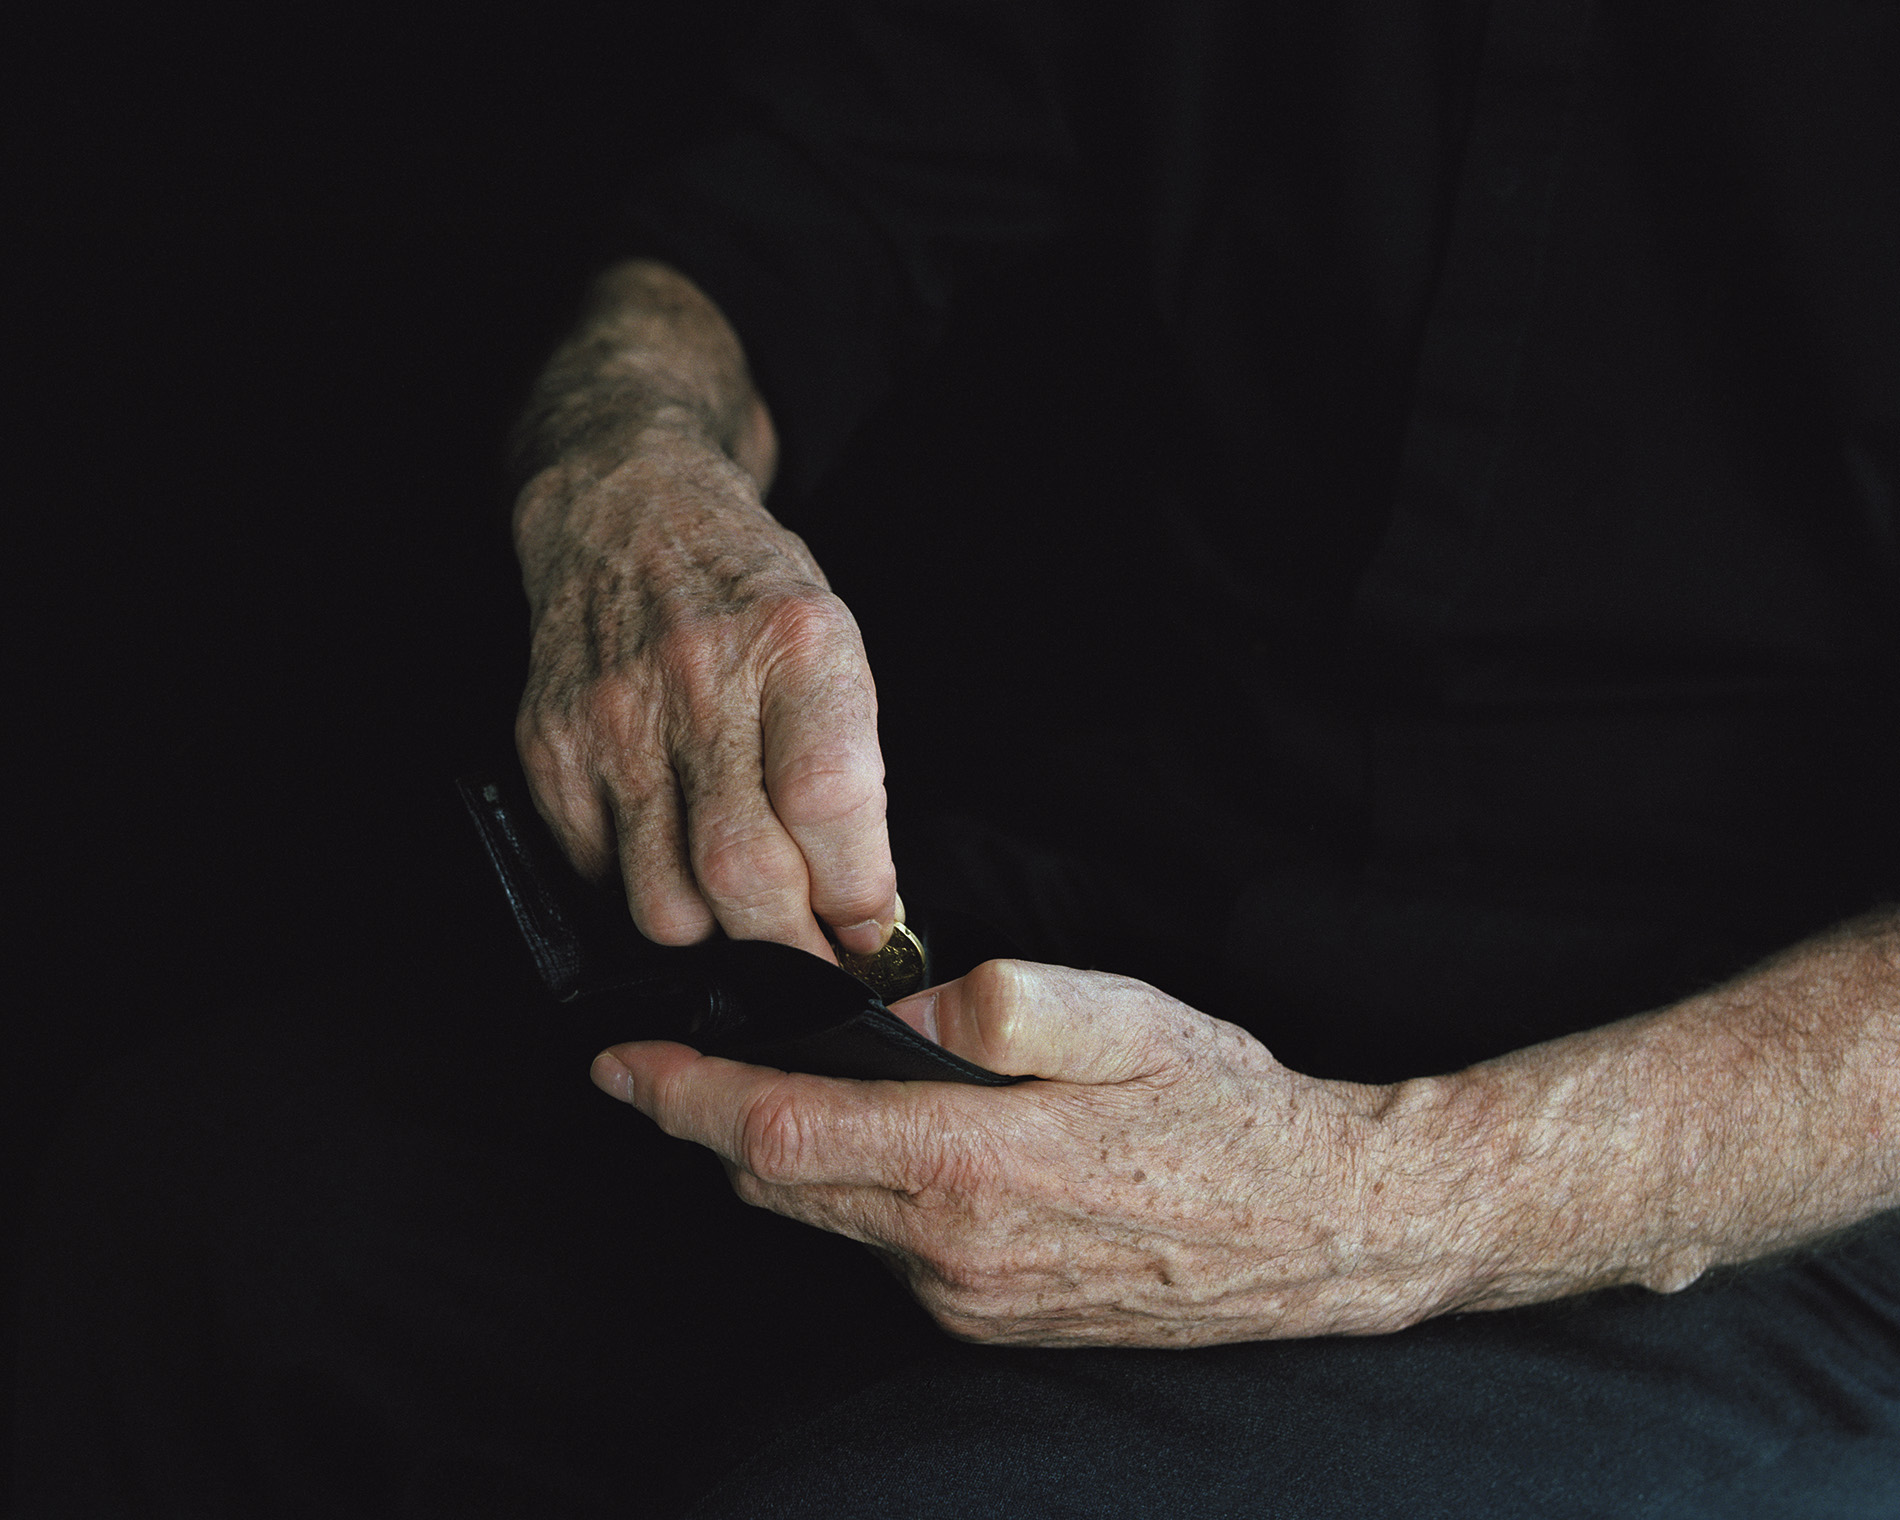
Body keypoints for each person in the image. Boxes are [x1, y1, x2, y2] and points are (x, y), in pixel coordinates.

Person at [15, 1, 1900, 1513]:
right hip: (1172, 902)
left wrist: (1386, 1203)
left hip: (1748, 1160)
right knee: (196, 1228)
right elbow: (802, 194)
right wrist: (626, 466)